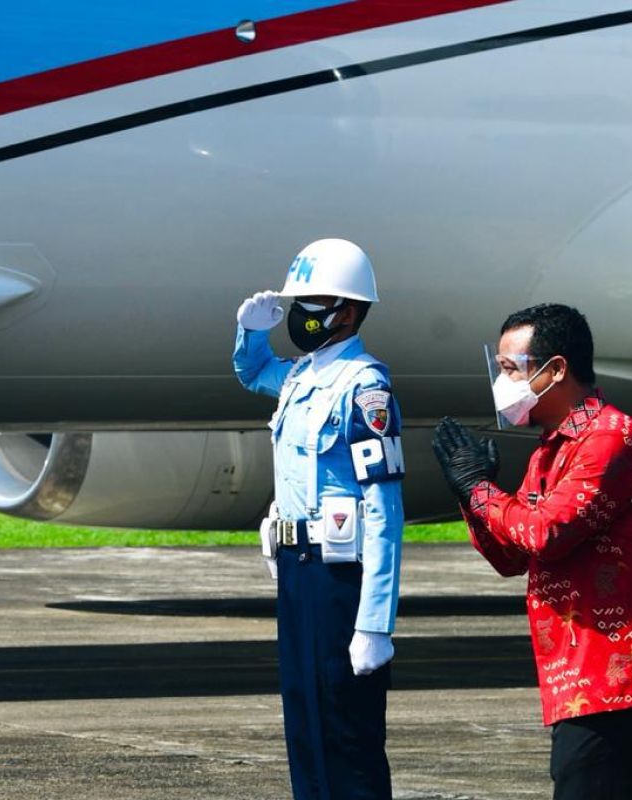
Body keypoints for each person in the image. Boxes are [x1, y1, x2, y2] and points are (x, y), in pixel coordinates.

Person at [431, 303, 632, 800]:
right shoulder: (553, 447)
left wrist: (482, 491)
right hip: (580, 681)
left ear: (555, 370)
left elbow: (546, 533)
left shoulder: (610, 439)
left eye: (511, 369)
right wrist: (471, 495)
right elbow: (512, 557)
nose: (502, 381)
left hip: (619, 679)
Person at [233, 239, 404, 799]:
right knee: (304, 720)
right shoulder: (302, 376)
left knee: (345, 730)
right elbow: (251, 369)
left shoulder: (365, 387)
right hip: (297, 568)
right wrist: (251, 331)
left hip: (339, 577)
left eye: (313, 301)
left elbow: (383, 512)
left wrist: (374, 621)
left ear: (348, 310)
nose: (301, 314)